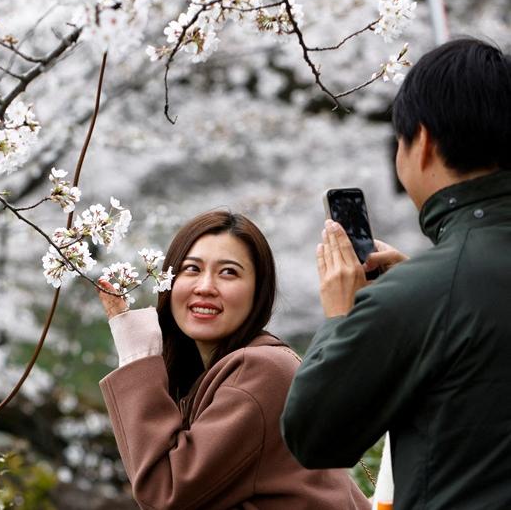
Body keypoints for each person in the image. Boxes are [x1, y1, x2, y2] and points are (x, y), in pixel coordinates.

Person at [282, 38, 511, 508]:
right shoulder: (430, 291)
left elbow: (313, 434)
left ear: (421, 143)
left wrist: (342, 316)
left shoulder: (420, 295)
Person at [97, 210, 366, 509]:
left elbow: (164, 491)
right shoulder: (218, 373)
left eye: (228, 272)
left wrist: (137, 352)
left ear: (258, 291)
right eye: (191, 269)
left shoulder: (261, 370)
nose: (205, 286)